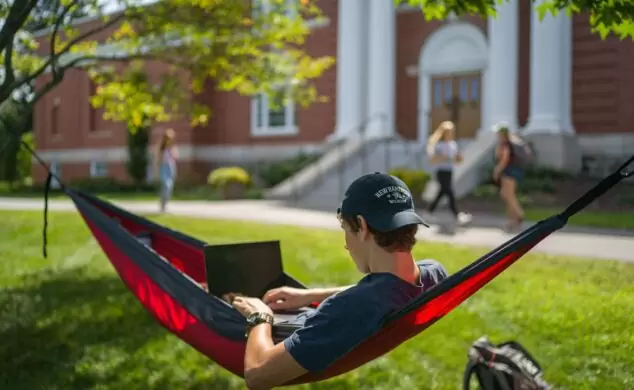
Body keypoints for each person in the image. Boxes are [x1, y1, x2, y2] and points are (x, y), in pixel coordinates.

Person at [224, 172, 449, 390]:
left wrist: (260, 316)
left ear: (362, 226)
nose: (346, 245)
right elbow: (389, 288)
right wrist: (312, 295)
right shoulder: (434, 273)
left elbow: (257, 375)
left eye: (345, 229)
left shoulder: (349, 308)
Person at [426, 120, 472, 225]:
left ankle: (429, 212)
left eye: (451, 131)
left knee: (442, 192)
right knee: (449, 192)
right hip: (441, 171)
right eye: (448, 132)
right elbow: (433, 159)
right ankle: (457, 215)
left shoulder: (453, 144)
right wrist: (444, 157)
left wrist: (459, 158)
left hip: (449, 171)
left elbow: (457, 159)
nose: (450, 134)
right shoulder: (439, 145)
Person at [492, 122, 527, 231]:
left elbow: (504, 159)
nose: (497, 135)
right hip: (515, 170)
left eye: (498, 133)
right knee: (507, 195)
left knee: (508, 195)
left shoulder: (505, 144)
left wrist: (497, 170)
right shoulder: (512, 141)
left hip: (509, 171)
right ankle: (512, 221)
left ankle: (519, 214)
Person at [155, 128, 178, 213]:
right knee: (166, 185)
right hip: (163, 167)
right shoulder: (161, 147)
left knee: (169, 187)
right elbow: (157, 159)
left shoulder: (172, 147)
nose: (169, 139)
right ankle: (162, 204)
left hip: (171, 167)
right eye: (168, 138)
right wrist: (156, 170)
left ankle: (164, 204)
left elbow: (175, 157)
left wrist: (172, 150)